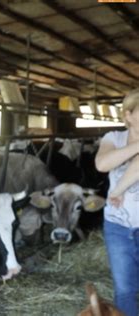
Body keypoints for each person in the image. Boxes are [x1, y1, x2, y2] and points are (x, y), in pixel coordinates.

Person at [95, 88, 139, 316]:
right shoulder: (114, 138)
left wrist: (119, 189)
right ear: (129, 115)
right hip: (118, 227)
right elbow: (102, 164)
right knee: (124, 290)